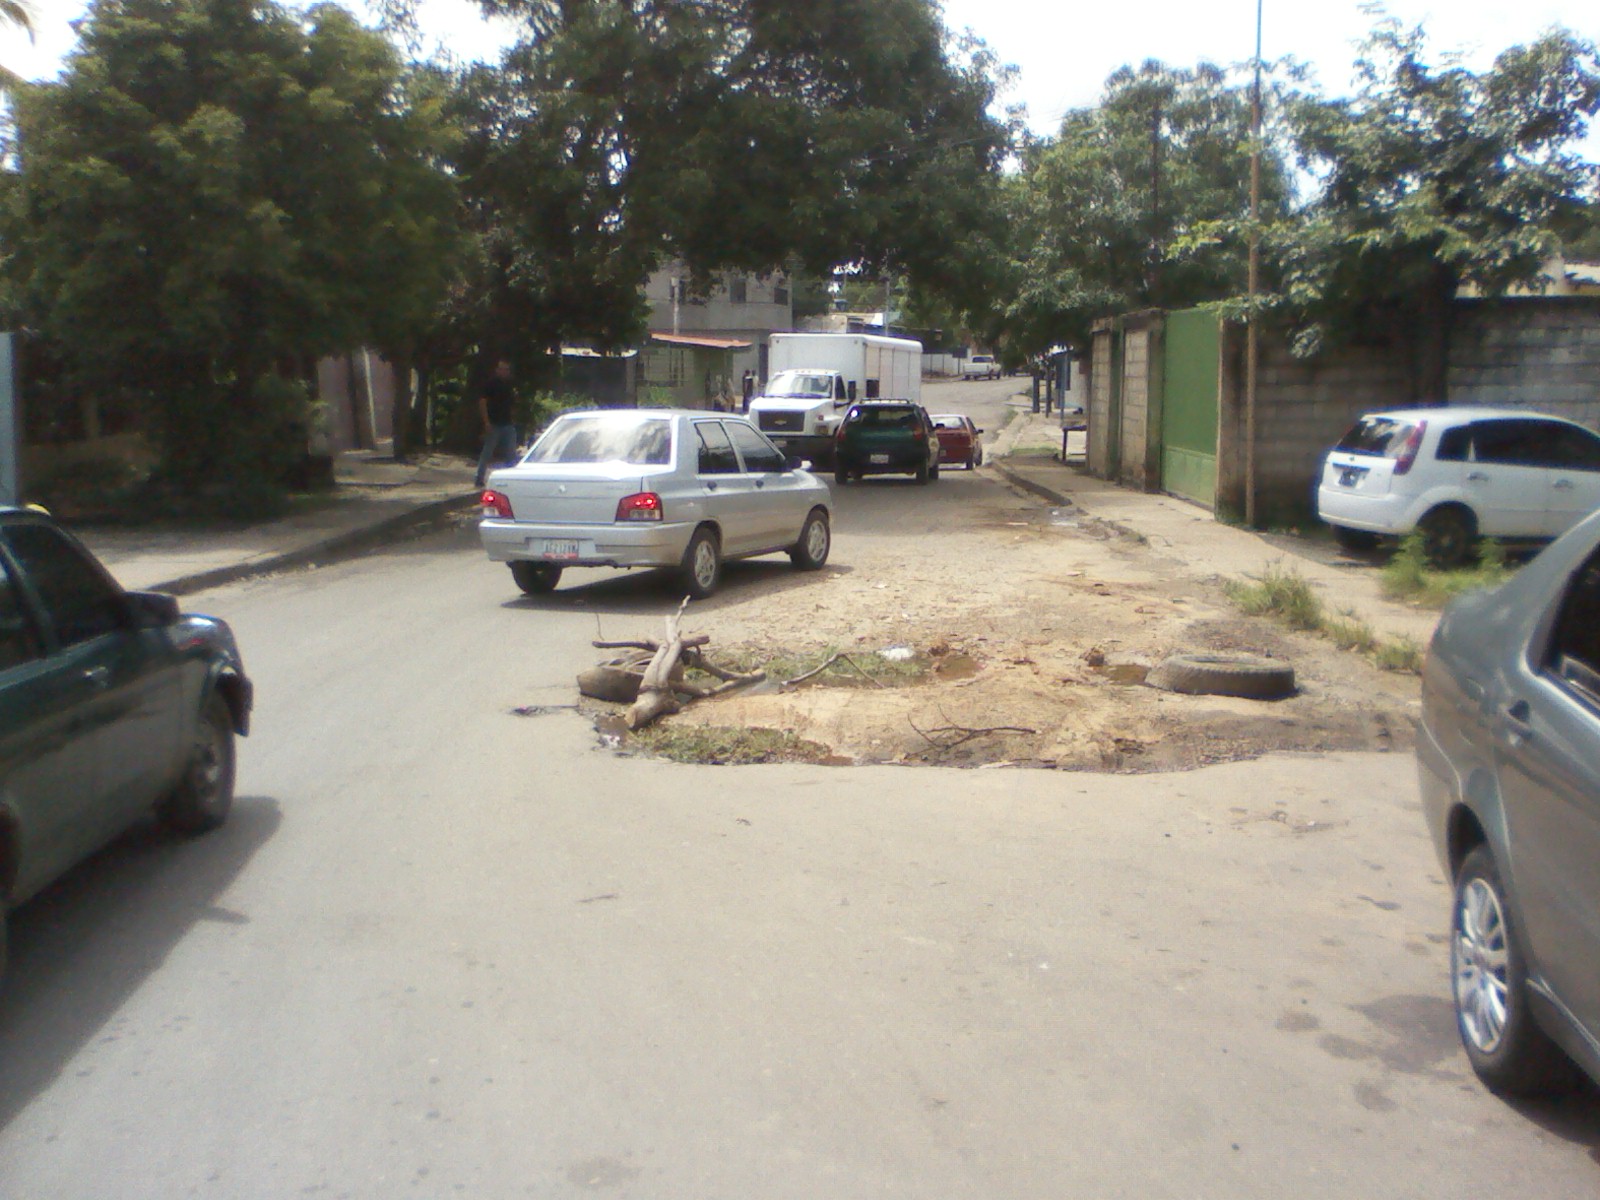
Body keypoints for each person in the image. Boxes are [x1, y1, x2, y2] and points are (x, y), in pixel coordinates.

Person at [474, 360, 517, 488]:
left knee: (511, 452)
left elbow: (512, 404)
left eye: (507, 369)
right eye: (502, 369)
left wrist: (513, 418)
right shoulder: (490, 384)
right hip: (494, 423)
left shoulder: (509, 385)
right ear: (497, 370)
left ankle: (511, 479)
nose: (505, 372)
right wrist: (486, 422)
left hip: (507, 423)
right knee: (488, 451)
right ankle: (479, 478)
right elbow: (482, 402)